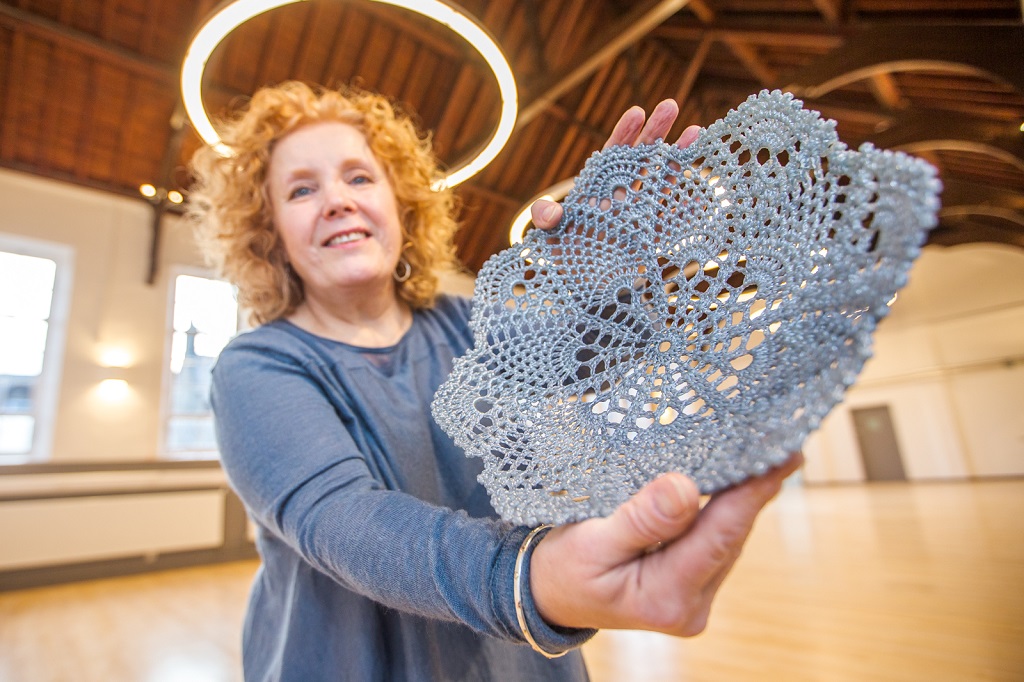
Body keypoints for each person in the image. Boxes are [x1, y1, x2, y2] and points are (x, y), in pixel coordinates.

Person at [189, 80, 802, 682]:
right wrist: (536, 576)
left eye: (358, 177)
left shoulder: (474, 324)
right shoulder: (257, 364)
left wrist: (602, 281)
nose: (337, 200)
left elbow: (587, 358)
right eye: (301, 189)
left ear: (400, 203)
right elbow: (341, 520)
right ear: (269, 235)